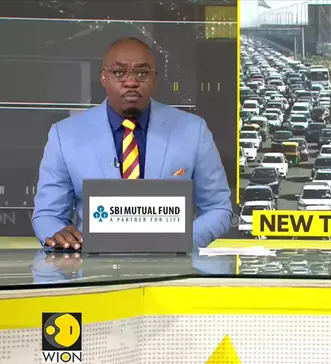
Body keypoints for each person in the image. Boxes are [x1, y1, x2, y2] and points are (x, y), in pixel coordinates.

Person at [32, 37, 233, 250]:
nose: (131, 82)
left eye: (142, 73)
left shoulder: (193, 131)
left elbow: (218, 208)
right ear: (103, 77)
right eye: (119, 73)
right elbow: (48, 214)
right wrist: (61, 236)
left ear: (154, 78)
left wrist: (182, 242)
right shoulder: (65, 135)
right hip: (92, 265)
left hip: (171, 265)